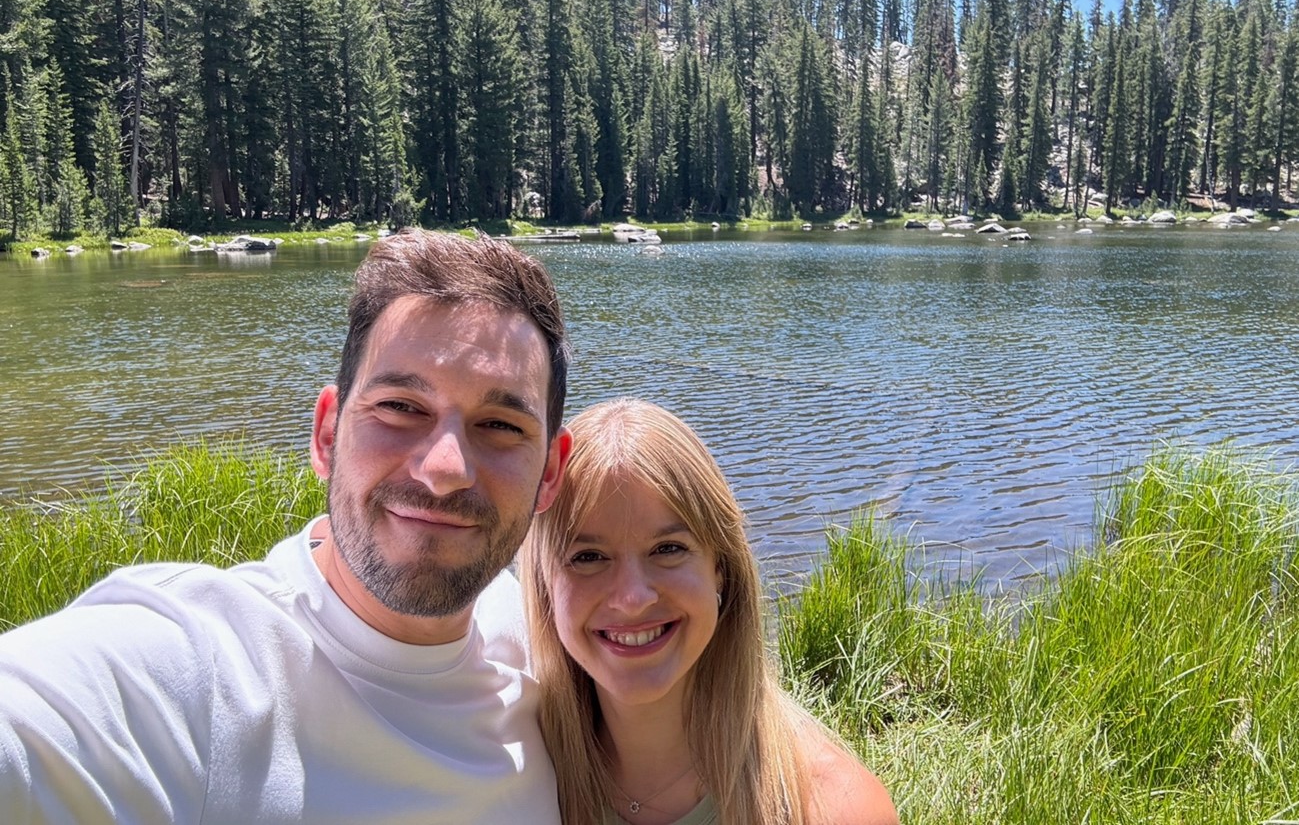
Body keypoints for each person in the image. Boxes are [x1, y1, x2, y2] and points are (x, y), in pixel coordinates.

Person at [0, 229, 574, 824]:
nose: (445, 469)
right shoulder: (203, 671)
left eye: (502, 426)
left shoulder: (547, 640)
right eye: (401, 407)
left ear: (550, 473)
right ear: (327, 434)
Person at [520, 398, 898, 825]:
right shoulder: (508, 779)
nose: (632, 597)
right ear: (544, 584)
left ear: (720, 569)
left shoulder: (834, 807)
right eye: (588, 557)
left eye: (668, 549)